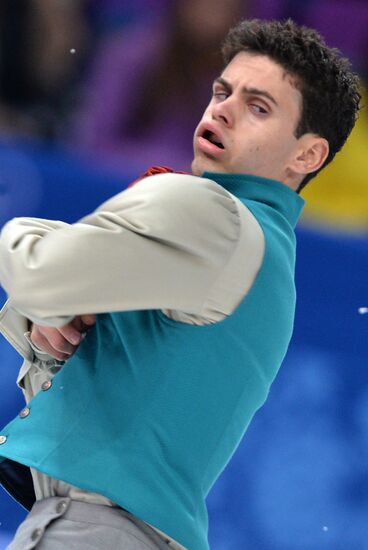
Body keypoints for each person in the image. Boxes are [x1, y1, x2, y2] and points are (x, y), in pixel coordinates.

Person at [0, 18, 360, 550]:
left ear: (307, 155)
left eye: (258, 107)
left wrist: (23, 239)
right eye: (223, 91)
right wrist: (57, 310)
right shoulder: (266, 258)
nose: (223, 108)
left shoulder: (207, 211)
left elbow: (38, 270)